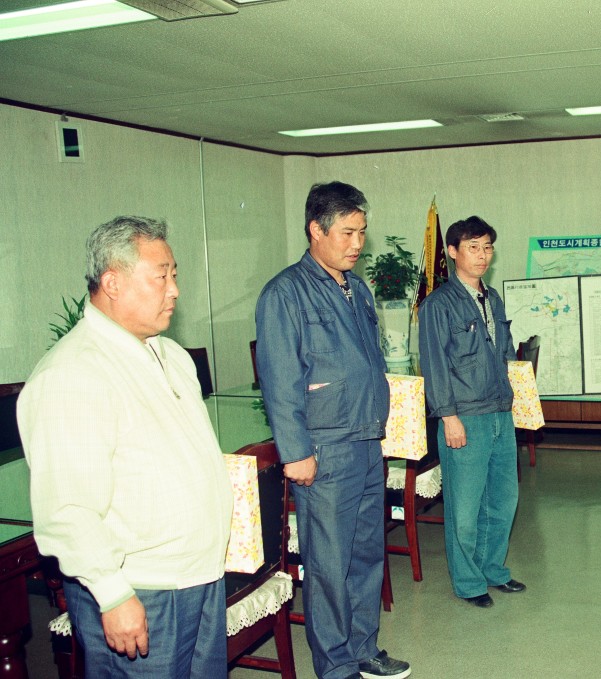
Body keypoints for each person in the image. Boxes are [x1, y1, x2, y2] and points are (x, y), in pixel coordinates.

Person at [18, 216, 234, 678]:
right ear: (112, 282)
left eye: (174, 274)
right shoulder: (74, 374)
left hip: (198, 575)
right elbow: (68, 509)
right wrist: (112, 594)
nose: (174, 289)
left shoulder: (171, 356)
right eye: (162, 276)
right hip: (142, 589)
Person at [255, 182, 410, 679]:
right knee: (328, 567)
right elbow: (279, 379)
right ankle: (336, 666)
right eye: (347, 232)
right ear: (315, 231)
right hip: (324, 448)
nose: (357, 243)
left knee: (367, 554)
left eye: (362, 231)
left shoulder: (356, 287)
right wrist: (295, 451)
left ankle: (364, 650)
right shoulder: (285, 293)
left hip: (366, 439)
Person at [418, 216, 525, 608]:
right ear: (452, 252)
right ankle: (468, 582)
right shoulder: (437, 305)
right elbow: (434, 365)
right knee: (464, 510)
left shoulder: (492, 298)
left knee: (503, 500)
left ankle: (493, 570)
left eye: (487, 248)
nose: (482, 256)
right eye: (473, 247)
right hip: (464, 417)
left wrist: (519, 399)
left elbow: (505, 353)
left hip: (500, 412)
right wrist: (448, 417)